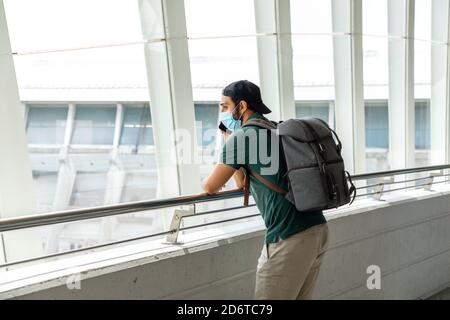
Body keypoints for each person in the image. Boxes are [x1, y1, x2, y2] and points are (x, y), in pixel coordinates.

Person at [201, 80, 329, 300]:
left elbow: (210, 186)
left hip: (289, 236)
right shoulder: (273, 128)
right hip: (316, 229)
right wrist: (229, 141)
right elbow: (242, 183)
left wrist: (227, 142)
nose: (221, 112)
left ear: (241, 107)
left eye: (224, 106)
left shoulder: (243, 136)